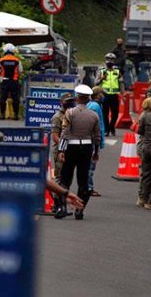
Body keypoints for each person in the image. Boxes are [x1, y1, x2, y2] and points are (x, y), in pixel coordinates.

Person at [55, 84, 101, 220]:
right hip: (86, 147)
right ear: (88, 99)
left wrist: (61, 150)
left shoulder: (70, 113)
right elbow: (97, 136)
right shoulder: (94, 115)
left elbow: (65, 133)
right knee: (83, 180)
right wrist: (96, 151)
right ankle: (80, 210)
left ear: (77, 98)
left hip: (71, 147)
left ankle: (62, 206)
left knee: (65, 178)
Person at [135, 94, 151, 207]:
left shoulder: (145, 115)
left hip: (144, 144)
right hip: (146, 144)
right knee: (146, 173)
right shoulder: (147, 116)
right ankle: (142, 196)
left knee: (145, 172)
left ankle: (143, 196)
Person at [95, 52, 124, 137]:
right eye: (108, 59)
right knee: (105, 113)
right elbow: (95, 83)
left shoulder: (117, 71)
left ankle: (112, 127)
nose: (110, 61)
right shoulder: (101, 71)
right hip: (105, 95)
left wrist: (123, 93)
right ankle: (107, 130)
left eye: (112, 60)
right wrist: (101, 79)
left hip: (115, 95)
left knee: (115, 113)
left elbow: (121, 82)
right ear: (106, 60)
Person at [50, 93, 75, 183]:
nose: (70, 103)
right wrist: (64, 146)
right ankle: (57, 196)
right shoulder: (57, 117)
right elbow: (55, 136)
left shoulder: (73, 115)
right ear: (61, 102)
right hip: (60, 149)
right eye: (67, 101)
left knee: (68, 175)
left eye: (71, 101)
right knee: (60, 175)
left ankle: (64, 194)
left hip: (71, 149)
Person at [87, 86, 106, 196]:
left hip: (92, 139)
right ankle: (89, 187)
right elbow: (96, 126)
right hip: (93, 140)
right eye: (101, 94)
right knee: (91, 166)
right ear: (97, 95)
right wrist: (98, 144)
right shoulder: (95, 106)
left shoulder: (92, 104)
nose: (103, 96)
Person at [0, 43, 23, 120]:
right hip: (14, 81)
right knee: (15, 99)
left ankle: (2, 114)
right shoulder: (17, 60)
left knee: (2, 98)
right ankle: (15, 115)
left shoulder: (1, 60)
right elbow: (20, 71)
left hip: (4, 81)